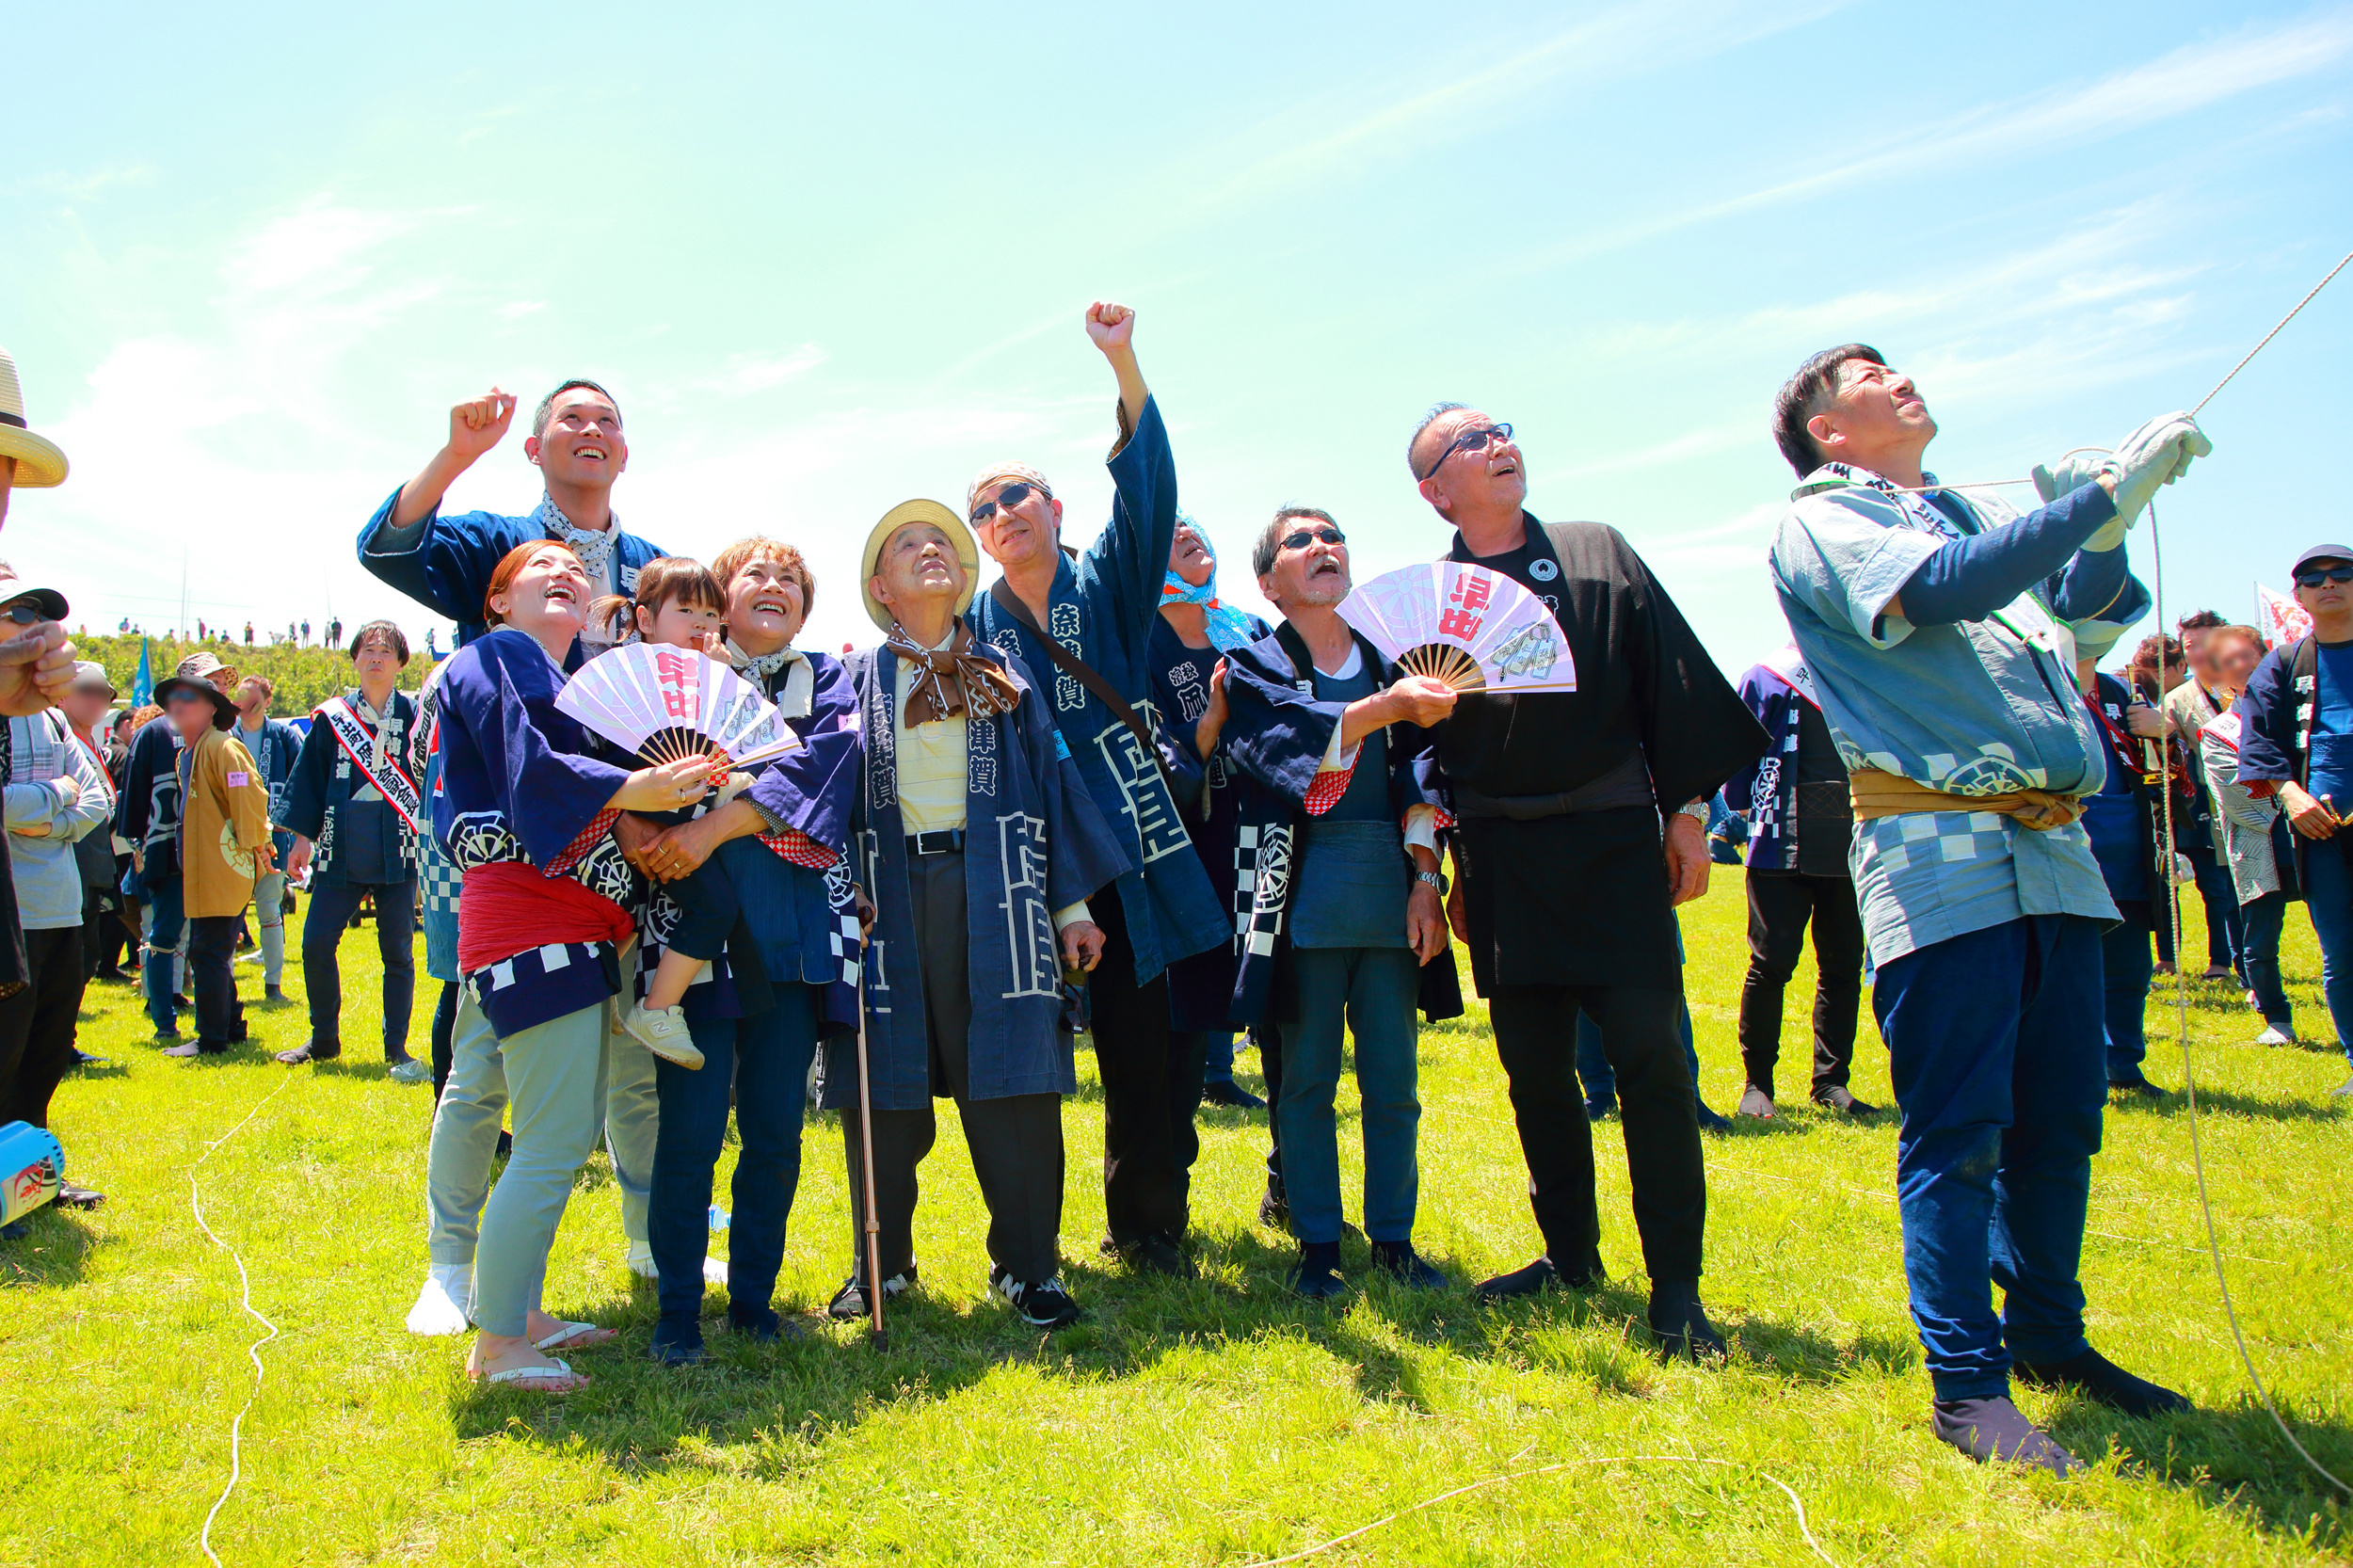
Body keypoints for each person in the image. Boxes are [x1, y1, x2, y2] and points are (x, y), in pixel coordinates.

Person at [1767, 342, 2201, 1472]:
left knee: (2060, 1118)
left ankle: (2050, 1338)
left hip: (2054, 855)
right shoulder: (1823, 518)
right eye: (1867, 374)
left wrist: (2100, 532)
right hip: (1938, 853)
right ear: (1826, 428)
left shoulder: (1956, 510)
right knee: (1958, 1131)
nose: (1899, 377)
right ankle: (1966, 1385)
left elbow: (2089, 623)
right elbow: (1942, 588)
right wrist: (2106, 494)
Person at [1407, 404, 1763, 1361]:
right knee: (1534, 1071)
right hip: (1501, 858)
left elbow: (1669, 679)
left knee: (1652, 1059)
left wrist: (1684, 811)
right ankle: (1570, 1255)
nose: (1499, 445)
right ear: (1434, 488)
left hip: (1612, 840)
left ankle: (1676, 1288)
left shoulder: (1598, 550)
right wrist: (1432, 872)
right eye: (1471, 442)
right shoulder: (1428, 602)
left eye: (1501, 429)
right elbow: (1414, 758)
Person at [966, 304, 1228, 1279]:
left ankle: (1149, 1227)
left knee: (1145, 1045)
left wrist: (1121, 361)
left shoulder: (1109, 585)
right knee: (1019, 1055)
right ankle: (1023, 1245)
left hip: (1130, 845)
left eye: (1019, 495)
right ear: (981, 539)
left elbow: (1150, 493)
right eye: (986, 508)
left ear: (1055, 509)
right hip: (1024, 858)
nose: (1005, 514)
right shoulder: (974, 628)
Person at [417, 539, 712, 1391]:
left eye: (577, 573)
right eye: (538, 570)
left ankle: (521, 1310)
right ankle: (499, 1342)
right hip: (531, 916)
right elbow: (532, 771)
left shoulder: (561, 679)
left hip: (573, 920)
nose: (567, 576)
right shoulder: (499, 657)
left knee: (564, 1129)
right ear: (497, 603)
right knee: (549, 1140)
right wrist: (633, 793)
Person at [840, 500, 1125, 1328]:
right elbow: (822, 797)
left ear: (965, 580)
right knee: (882, 1083)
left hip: (1000, 890)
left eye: (944, 545)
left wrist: (1070, 906)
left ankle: (1030, 1269)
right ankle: (880, 1264)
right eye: (907, 546)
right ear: (882, 587)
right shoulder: (850, 678)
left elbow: (1051, 791)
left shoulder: (1005, 675)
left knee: (1015, 1078)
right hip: (885, 897)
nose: (932, 552)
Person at [621, 535, 864, 1359]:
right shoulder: (674, 678)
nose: (774, 587)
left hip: (792, 941)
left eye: (791, 579)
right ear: (721, 596)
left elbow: (832, 768)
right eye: (756, 574)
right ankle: (677, 1313)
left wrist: (720, 823)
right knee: (688, 1137)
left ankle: (754, 1298)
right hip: (699, 951)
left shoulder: (826, 680)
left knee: (774, 1131)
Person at [1218, 507, 1458, 1298]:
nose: (1323, 548)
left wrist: (1427, 881)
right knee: (1306, 1082)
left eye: (1333, 536)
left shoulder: (1398, 660)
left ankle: (1394, 1240)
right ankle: (1319, 1245)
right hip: (1297, 897)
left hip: (1391, 897)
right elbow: (1277, 750)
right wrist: (1389, 710)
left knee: (1393, 1085)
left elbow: (1423, 777)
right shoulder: (1254, 667)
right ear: (1268, 583)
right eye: (1299, 541)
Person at [359, 380, 667, 651]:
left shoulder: (656, 568)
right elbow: (388, 550)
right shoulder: (495, 543)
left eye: (606, 420)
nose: (591, 429)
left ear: (623, 456)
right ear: (535, 450)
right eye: (572, 417)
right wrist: (456, 455)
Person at [595, 560, 747, 1070]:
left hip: (672, 828)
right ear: (644, 620)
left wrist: (722, 680)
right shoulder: (621, 677)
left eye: (710, 612)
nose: (701, 624)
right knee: (711, 907)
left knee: (655, 911)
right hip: (618, 829)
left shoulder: (708, 680)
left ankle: (628, 1001)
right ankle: (655, 1008)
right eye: (685, 611)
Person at [1147, 514, 1270, 1112]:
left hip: (1264, 818)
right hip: (1191, 825)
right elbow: (1150, 754)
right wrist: (1212, 722)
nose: (1185, 535)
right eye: (1167, 534)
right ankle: (1207, 1072)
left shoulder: (1247, 629)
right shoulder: (1141, 642)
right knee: (1204, 947)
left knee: (1266, 950)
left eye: (1190, 527)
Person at [1724, 647, 1873, 1119]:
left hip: (1853, 845)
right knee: (1770, 967)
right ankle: (1758, 1084)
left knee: (1844, 968)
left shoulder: (1864, 671)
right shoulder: (1767, 676)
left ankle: (1831, 1081)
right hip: (1778, 845)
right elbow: (1738, 769)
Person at [2230, 543, 2353, 1097]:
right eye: (2314, 578)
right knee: (2342, 952)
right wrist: (2291, 797)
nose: (2329, 584)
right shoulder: (2281, 664)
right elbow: (2258, 745)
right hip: (2322, 828)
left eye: (2342, 574)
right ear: (2299, 594)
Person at [278, 621, 424, 1078]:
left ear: (401, 661)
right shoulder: (333, 717)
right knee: (316, 943)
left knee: (397, 951)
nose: (376, 657)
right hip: (340, 846)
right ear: (356, 659)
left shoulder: (418, 715)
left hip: (398, 850)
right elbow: (311, 780)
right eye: (368, 650)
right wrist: (301, 839)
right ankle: (323, 1039)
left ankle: (396, 1047)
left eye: (386, 650)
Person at [0, 594, 110, 1200]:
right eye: (15, 613)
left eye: (38, 617)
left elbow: (96, 798)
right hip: (8, 911)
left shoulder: (55, 717)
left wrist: (42, 813)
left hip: (59, 907)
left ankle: (31, 1185)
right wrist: (56, 798)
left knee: (44, 1056)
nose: (33, 628)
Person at [118, 652, 238, 1045]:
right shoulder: (154, 732)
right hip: (168, 849)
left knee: (213, 941)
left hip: (214, 855)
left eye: (219, 681)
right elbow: (135, 796)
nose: (218, 686)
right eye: (209, 681)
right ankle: (164, 1019)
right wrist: (138, 843)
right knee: (165, 935)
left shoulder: (224, 735)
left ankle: (221, 1021)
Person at [154, 667, 273, 1056]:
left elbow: (249, 797)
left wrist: (254, 847)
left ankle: (211, 1040)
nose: (178, 705)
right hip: (205, 868)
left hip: (224, 866)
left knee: (208, 952)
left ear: (210, 709)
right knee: (212, 951)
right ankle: (230, 1027)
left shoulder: (222, 745)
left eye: (188, 698)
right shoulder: (191, 749)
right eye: (173, 699)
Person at [2199, 626, 2301, 1045]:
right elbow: (2236, 797)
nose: (2243, 666)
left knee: (2337, 930)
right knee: (2258, 942)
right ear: (2219, 675)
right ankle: (2276, 1019)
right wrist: (2295, 801)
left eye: (2249, 655)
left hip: (2319, 836)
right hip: (2262, 842)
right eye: (2230, 661)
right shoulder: (2218, 731)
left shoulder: (2298, 712)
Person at [2079, 659, 2169, 1098]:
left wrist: (2162, 731)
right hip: (2062, 848)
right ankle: (2072, 1067)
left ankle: (2123, 1064)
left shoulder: (2122, 691)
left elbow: (2172, 780)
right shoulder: (2032, 678)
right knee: (2069, 970)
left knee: (2130, 969)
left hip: (2128, 851)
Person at [2162, 610, 2246, 984]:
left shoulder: (2251, 684)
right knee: (2214, 886)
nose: (2196, 652)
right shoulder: (2177, 700)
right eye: (2189, 645)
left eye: (2205, 642)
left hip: (2254, 803)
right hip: (2202, 810)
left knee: (2254, 887)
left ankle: (2253, 963)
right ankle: (2220, 960)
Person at [230, 674, 302, 1004]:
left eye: (254, 696)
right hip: (230, 839)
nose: (246, 703)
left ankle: (273, 983)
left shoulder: (285, 736)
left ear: (267, 700)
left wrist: (299, 835)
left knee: (270, 911)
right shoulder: (226, 735)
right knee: (229, 913)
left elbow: (303, 781)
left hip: (273, 838)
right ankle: (224, 982)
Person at [60, 664, 125, 986]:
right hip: (68, 863)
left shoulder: (94, 747)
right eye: (86, 690)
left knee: (87, 954)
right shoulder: (60, 743)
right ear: (61, 695)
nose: (97, 699)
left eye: (104, 693)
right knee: (69, 960)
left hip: (95, 863)